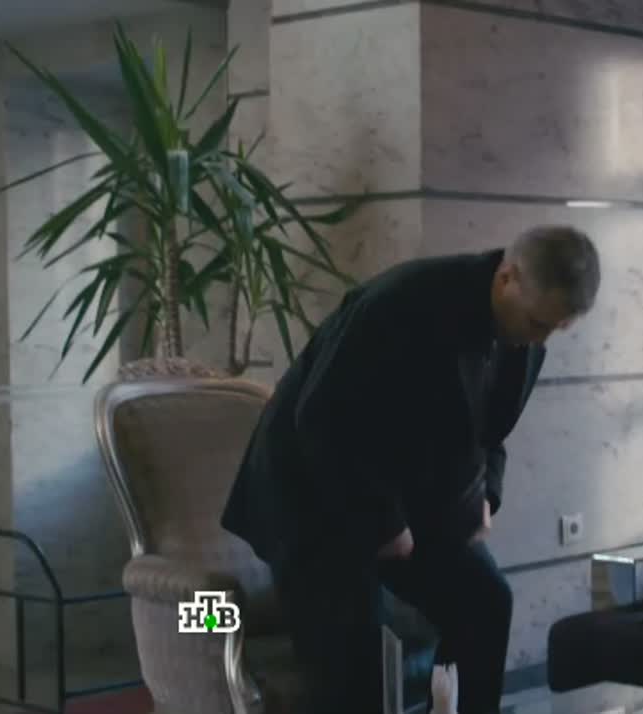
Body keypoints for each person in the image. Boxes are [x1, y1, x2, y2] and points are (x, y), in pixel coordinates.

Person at [220, 226, 601, 714]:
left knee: (485, 604)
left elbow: (490, 433)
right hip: (316, 505)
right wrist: (384, 522)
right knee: (356, 671)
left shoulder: (521, 331)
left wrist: (486, 495)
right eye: (536, 322)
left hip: (411, 505)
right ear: (507, 277)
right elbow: (319, 420)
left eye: (554, 329)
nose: (539, 339)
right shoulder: (403, 303)